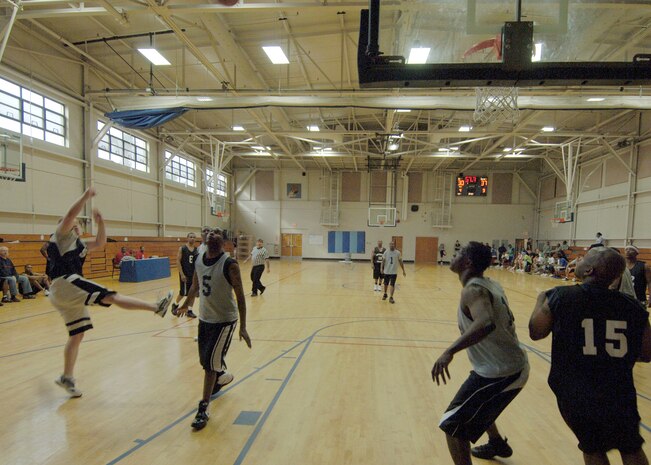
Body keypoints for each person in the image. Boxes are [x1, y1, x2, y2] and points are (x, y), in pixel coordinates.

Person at [529, 247, 650, 465]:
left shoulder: (560, 297)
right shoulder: (632, 306)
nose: (580, 260)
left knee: (593, 449)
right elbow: (647, 354)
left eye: (584, 259)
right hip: (618, 390)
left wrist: (540, 300)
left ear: (590, 270)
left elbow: (536, 332)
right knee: (631, 446)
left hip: (575, 392)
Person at [48, 187, 173, 398]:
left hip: (62, 293)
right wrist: (86, 196)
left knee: (77, 334)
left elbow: (100, 242)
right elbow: (70, 215)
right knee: (111, 295)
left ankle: (66, 377)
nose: (78, 227)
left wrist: (102, 222)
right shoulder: (61, 236)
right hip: (66, 282)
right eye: (76, 225)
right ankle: (155, 307)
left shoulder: (78, 244)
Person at [432, 242, 529, 465]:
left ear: (467, 262)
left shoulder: (473, 290)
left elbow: (485, 323)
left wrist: (450, 351)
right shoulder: (489, 283)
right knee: (477, 406)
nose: (452, 255)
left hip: (502, 373)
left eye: (458, 253)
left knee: (453, 426)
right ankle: (496, 442)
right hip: (505, 364)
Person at [177, 228, 252, 431]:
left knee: (209, 365)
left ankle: (203, 408)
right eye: (209, 232)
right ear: (205, 239)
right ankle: (220, 376)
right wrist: (186, 304)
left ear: (223, 242)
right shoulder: (200, 260)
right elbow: (194, 287)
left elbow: (241, 296)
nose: (212, 233)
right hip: (205, 318)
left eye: (217, 233)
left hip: (225, 321)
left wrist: (243, 327)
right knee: (205, 361)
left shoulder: (230, 264)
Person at [172, 232, 199, 318]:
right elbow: (178, 261)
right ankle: (175, 305)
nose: (192, 238)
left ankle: (189, 311)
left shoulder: (196, 250)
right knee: (183, 293)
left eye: (194, 237)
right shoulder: (182, 248)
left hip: (193, 275)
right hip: (185, 275)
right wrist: (182, 274)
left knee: (193, 292)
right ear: (187, 238)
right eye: (190, 237)